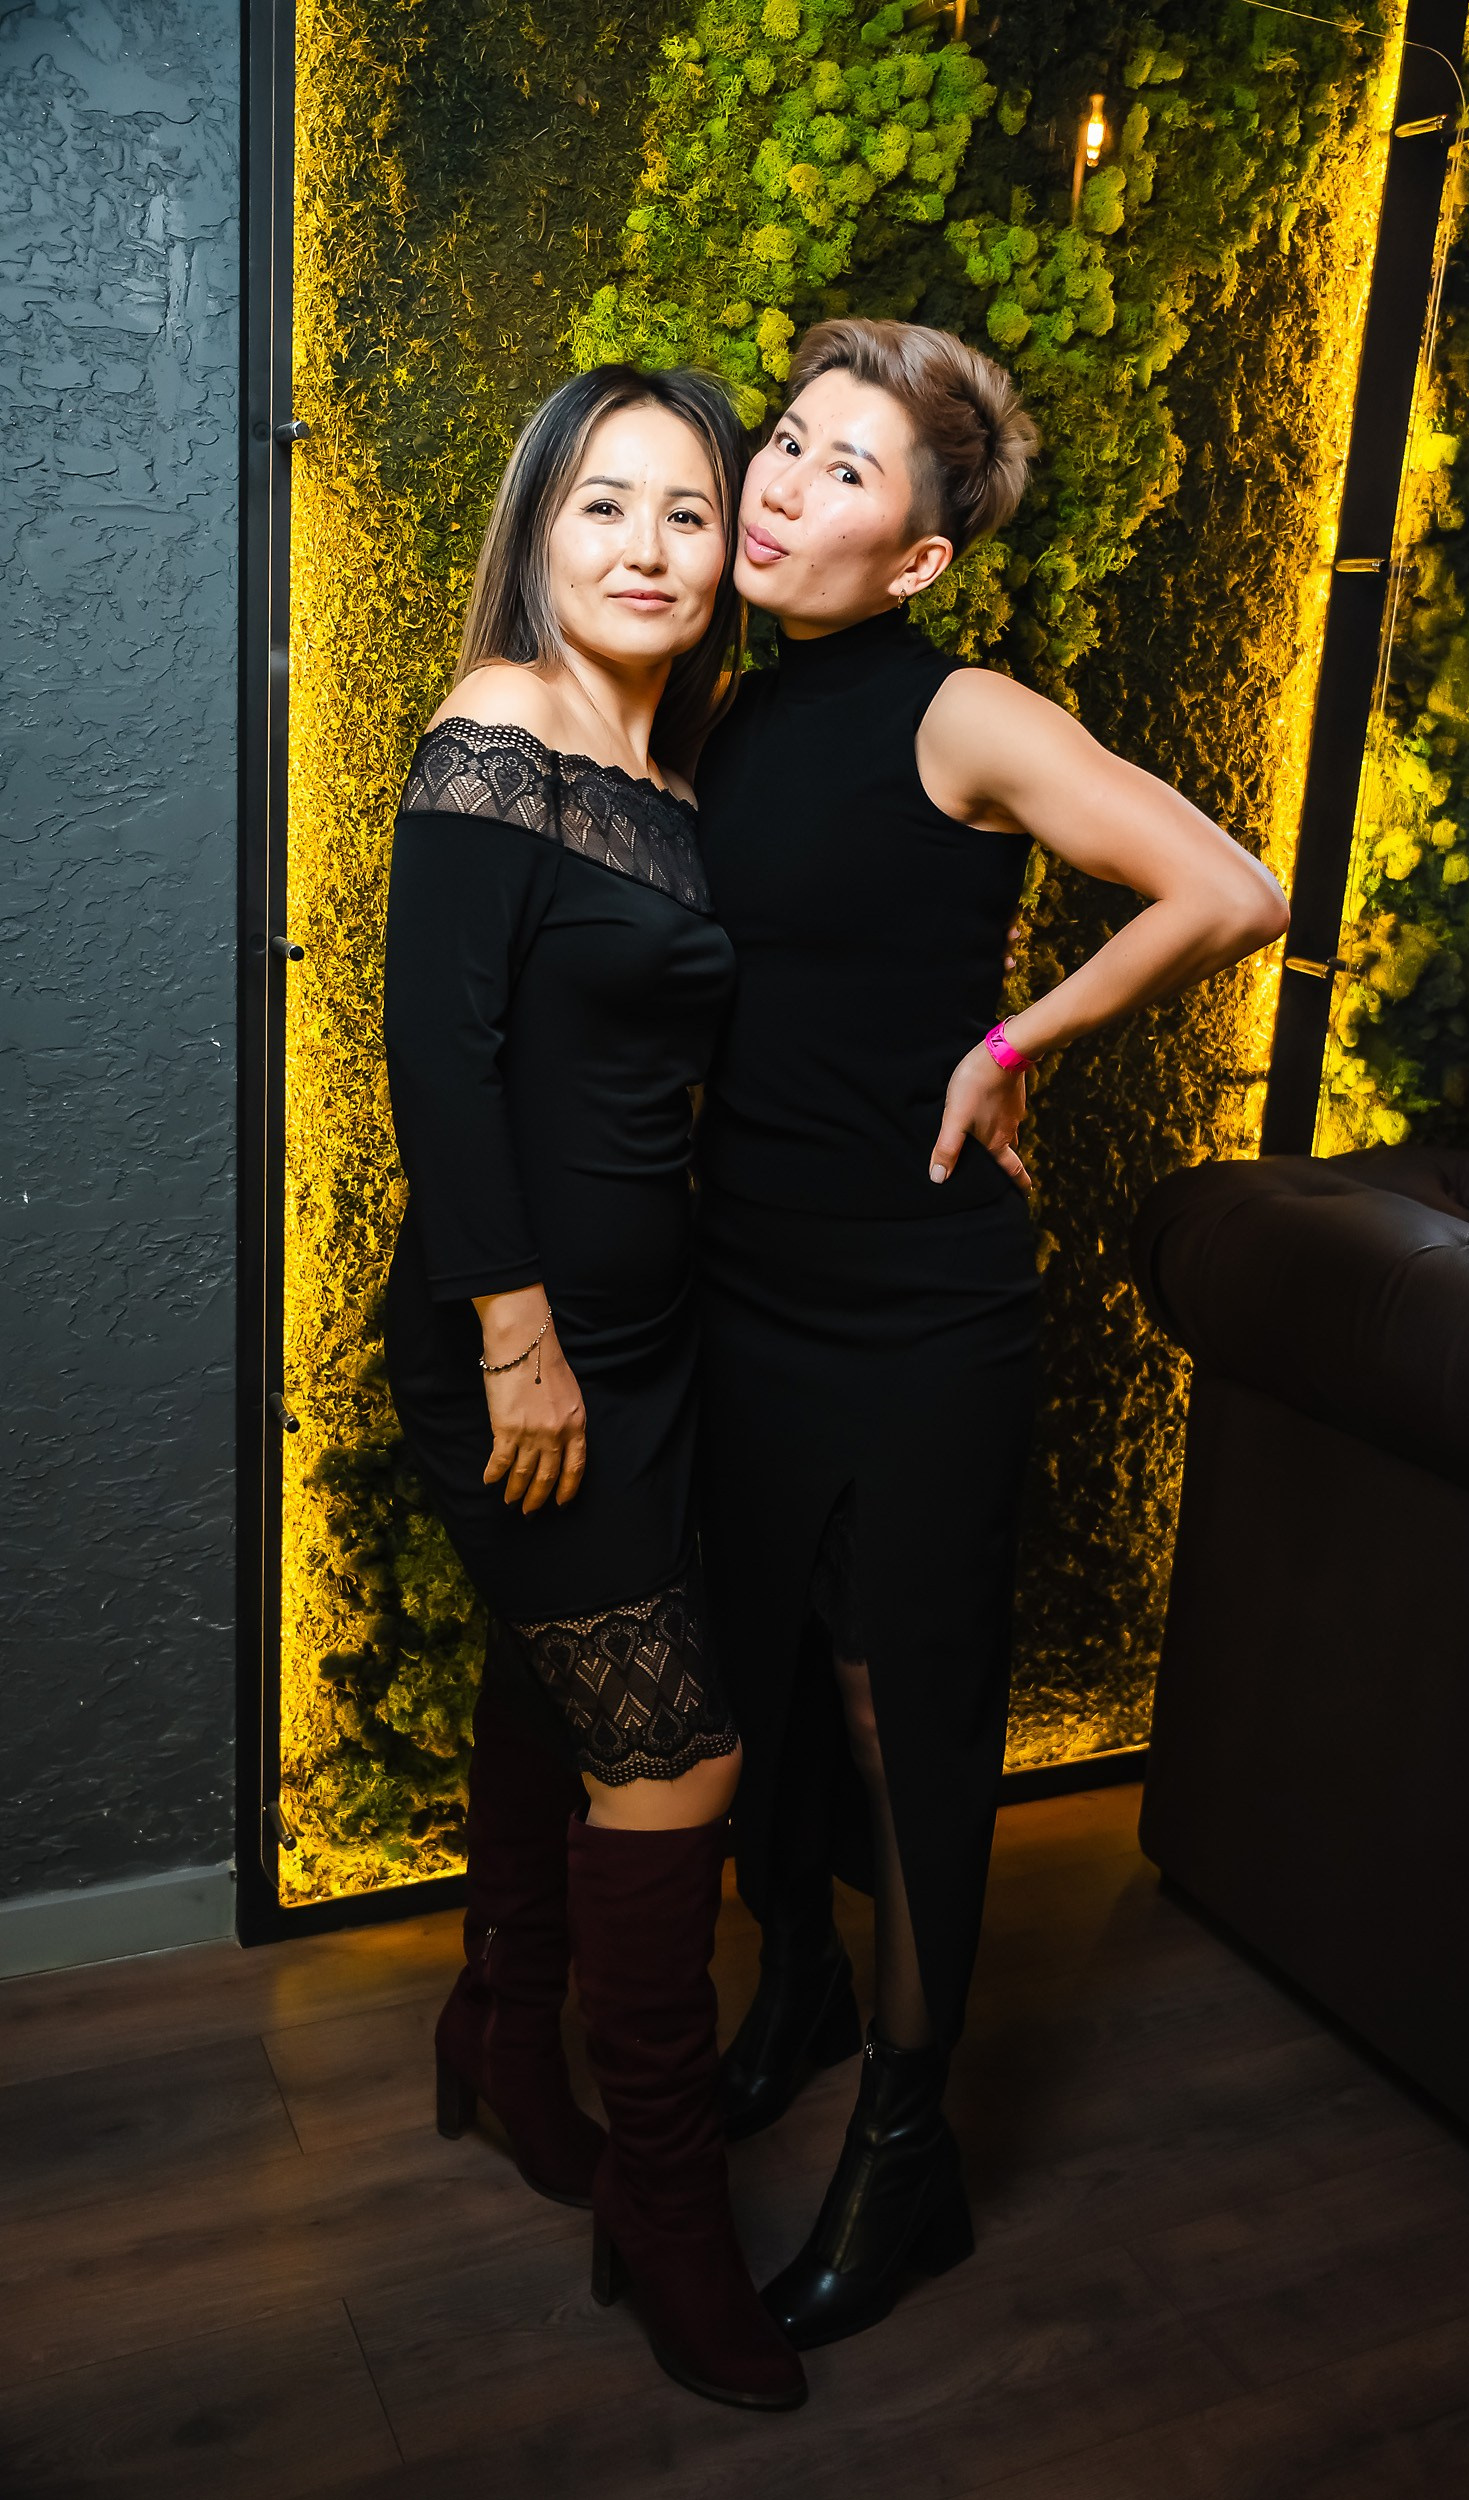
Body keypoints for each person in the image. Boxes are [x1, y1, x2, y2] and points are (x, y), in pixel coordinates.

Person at [693, 316, 1290, 2349]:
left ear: (924, 555)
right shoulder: (730, 706)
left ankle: (909, 2138)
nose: (785, 484)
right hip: (745, 1285)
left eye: (846, 469)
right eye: (787, 440)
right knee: (767, 1680)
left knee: (900, 1714)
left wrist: (1015, 1044)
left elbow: (1229, 888)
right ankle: (797, 1984)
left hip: (915, 1307)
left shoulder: (962, 713)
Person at [380, 363, 805, 2411]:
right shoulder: (501, 727)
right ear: (538, 527)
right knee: (678, 1757)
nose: (648, 548)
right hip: (517, 1347)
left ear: (729, 557)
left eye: (688, 513)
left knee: (551, 1687)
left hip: (656, 1344)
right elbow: (436, 1059)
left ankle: (499, 2026)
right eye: (604, 506)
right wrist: (516, 1339)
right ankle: (668, 2199)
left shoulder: (682, 771)